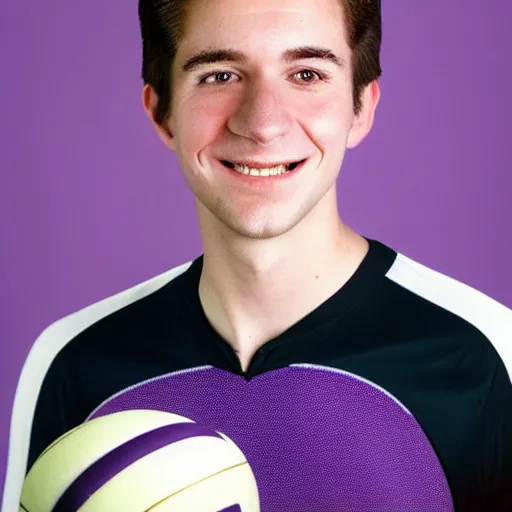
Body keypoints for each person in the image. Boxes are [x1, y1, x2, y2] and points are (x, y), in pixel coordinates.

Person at [3, 0, 512, 510]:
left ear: (362, 107)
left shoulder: (485, 354)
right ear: (162, 113)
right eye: (220, 74)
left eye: (307, 73)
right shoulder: (73, 360)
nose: (263, 123)